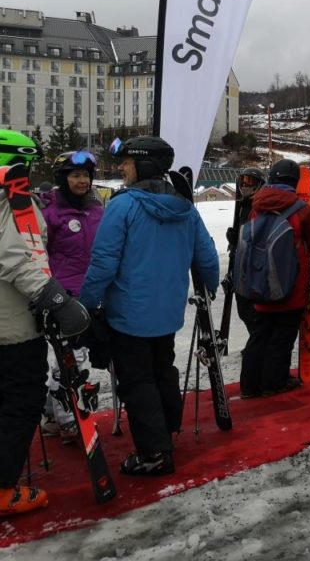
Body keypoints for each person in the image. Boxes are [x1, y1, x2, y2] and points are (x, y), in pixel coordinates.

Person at [80, 135, 219, 476]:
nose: (122, 169)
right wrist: (211, 286)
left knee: (137, 381)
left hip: (129, 314)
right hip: (167, 312)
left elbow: (103, 263)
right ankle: (166, 429)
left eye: (127, 163)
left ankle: (154, 452)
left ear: (142, 165)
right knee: (162, 371)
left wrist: (84, 304)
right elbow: (207, 255)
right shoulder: (185, 207)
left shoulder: (123, 206)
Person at [0, 132, 90, 515]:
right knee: (21, 401)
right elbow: (18, 258)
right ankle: (3, 488)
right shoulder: (11, 197)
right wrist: (55, 299)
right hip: (13, 325)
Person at [238, 159, 310, 399]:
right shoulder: (302, 209)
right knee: (283, 335)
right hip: (291, 284)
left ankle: (249, 385)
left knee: (260, 333)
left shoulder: (257, 205)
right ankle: (274, 381)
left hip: (259, 281)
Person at [39, 150, 105, 442]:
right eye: (76, 175)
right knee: (70, 358)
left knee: (77, 356)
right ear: (63, 179)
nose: (82, 181)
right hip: (62, 297)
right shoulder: (49, 212)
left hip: (91, 294)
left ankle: (52, 416)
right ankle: (68, 420)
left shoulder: (97, 210)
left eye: (86, 176)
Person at [225, 168, 265, 333]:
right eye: (242, 181)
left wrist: (239, 240)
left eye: (249, 182)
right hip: (241, 262)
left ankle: (259, 344)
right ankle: (256, 341)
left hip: (254, 266)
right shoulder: (244, 205)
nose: (244, 185)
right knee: (243, 309)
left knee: (251, 310)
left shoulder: (261, 206)